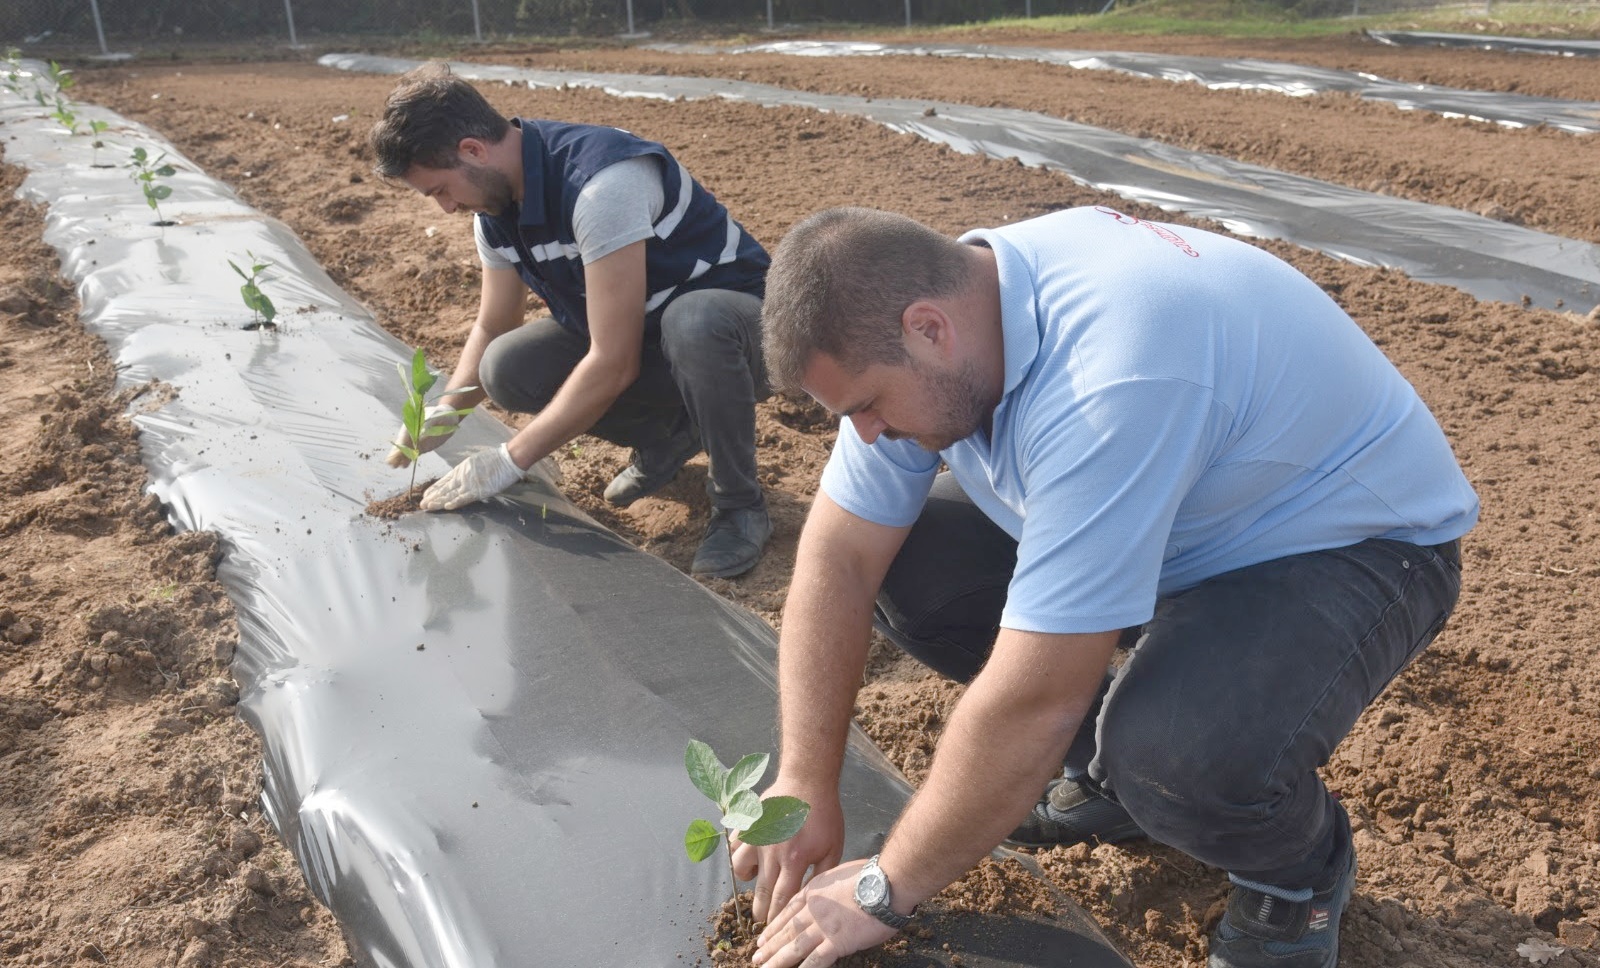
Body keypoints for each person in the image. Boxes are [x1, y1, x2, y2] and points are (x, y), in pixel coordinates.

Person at [737, 206, 1478, 968]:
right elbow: (840, 560)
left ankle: (1298, 874)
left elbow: (1036, 698)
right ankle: (1113, 784)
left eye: (865, 406)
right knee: (907, 570)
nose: (862, 433)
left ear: (930, 328)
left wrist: (883, 890)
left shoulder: (1112, 375)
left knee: (1172, 755)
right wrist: (803, 782)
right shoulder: (949, 324)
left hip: (1350, 543)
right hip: (1185, 518)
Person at [370, 62, 773, 578]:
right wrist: (443, 418)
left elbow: (613, 361)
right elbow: (494, 323)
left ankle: (740, 506)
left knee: (693, 321)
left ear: (473, 150)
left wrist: (509, 460)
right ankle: (669, 433)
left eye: (441, 190)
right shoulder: (493, 212)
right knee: (506, 367)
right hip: (648, 338)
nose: (447, 207)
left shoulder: (600, 186)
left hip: (745, 339)